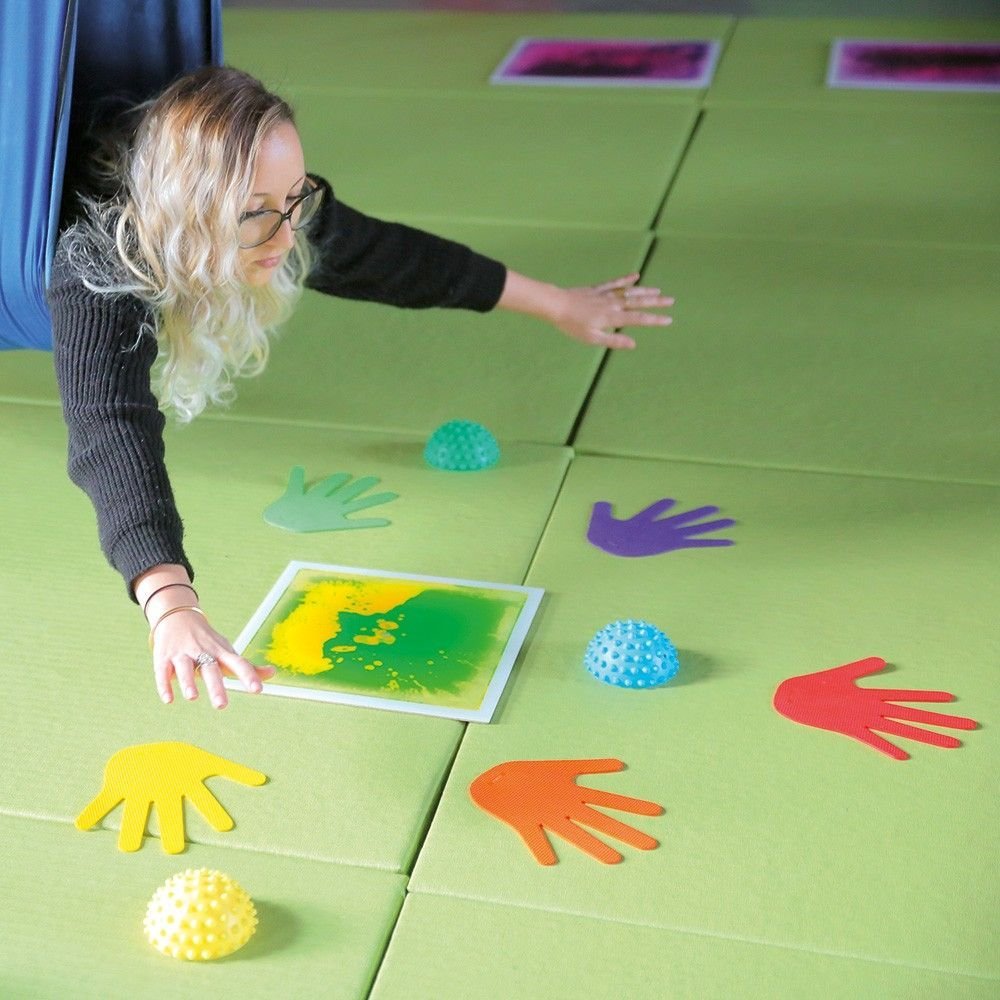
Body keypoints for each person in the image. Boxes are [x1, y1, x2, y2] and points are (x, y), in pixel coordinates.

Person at [48, 65, 673, 710]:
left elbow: (394, 260)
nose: (288, 236)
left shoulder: (272, 207)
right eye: (256, 214)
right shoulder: (94, 261)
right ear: (190, 213)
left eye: (296, 198)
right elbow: (109, 425)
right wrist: (169, 603)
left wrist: (558, 304)